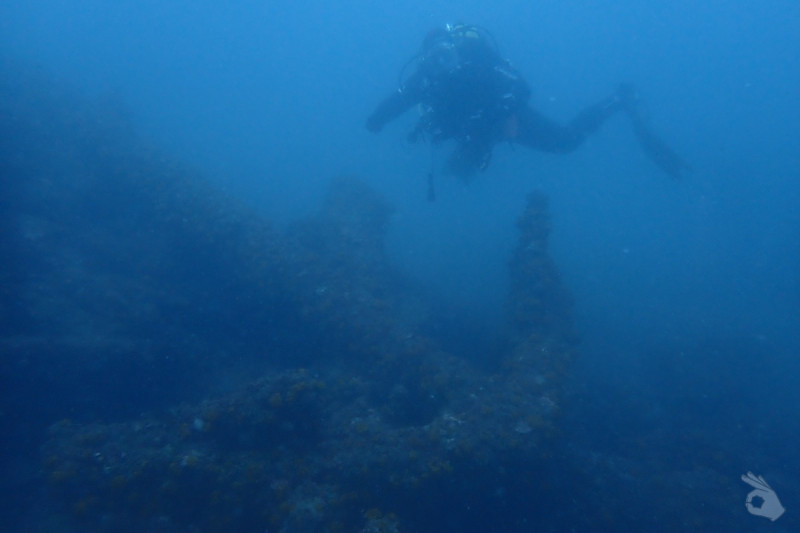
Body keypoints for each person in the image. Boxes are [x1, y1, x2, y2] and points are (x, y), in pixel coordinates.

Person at [366, 24, 688, 180]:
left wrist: (502, 113)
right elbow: (400, 100)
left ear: (455, 49)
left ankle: (617, 99)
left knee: (566, 143)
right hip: (477, 132)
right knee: (458, 174)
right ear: (426, 59)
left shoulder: (478, 61)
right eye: (435, 58)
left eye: (446, 54)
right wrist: (377, 120)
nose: (443, 63)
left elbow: (522, 88)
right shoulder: (425, 78)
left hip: (506, 120)